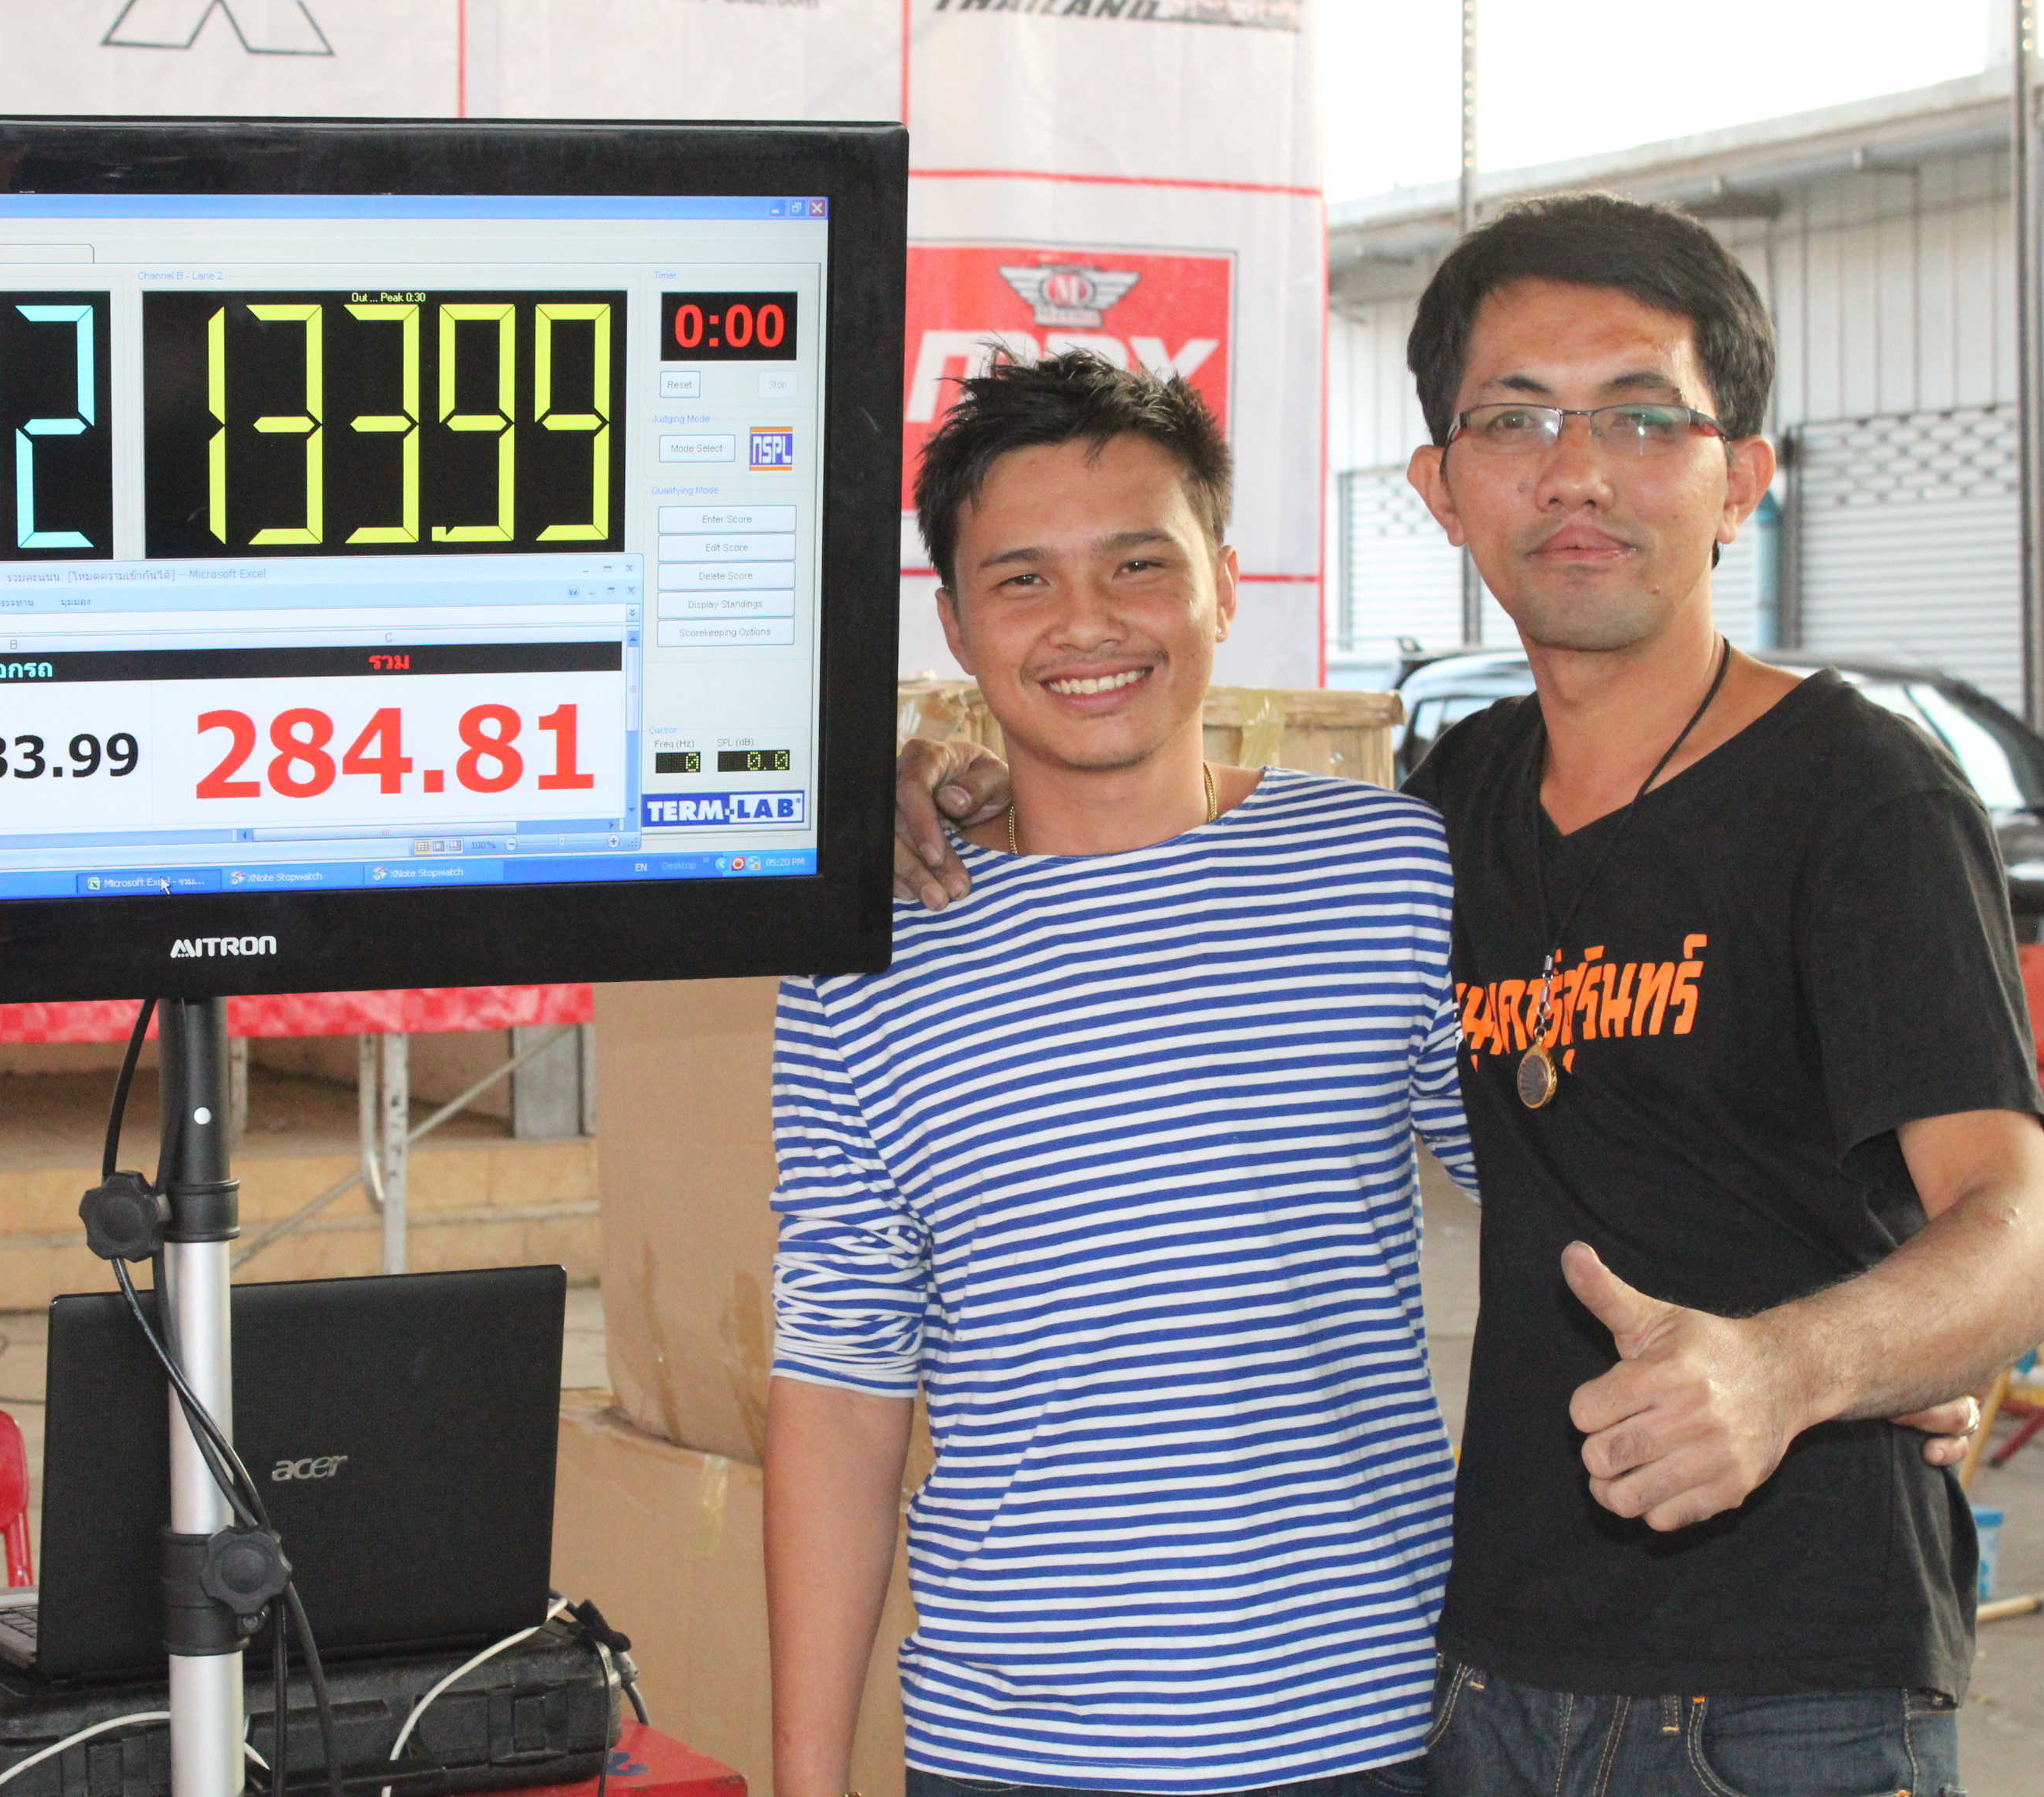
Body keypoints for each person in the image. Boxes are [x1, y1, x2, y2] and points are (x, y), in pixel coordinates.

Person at [892, 193, 2044, 1796]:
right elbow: (1192, 880)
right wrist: (938, 778)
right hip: (1485, 1670)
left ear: (1741, 478)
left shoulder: (1860, 796)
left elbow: (2012, 1218)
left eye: (1641, 415)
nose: (1576, 472)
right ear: (1440, 487)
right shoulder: (1448, 814)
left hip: (1790, 1685)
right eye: (1517, 420)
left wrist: (1812, 1365)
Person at [765, 352, 1472, 1797]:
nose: (1087, 623)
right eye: (1022, 580)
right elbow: (840, 1385)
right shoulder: (862, 956)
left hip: (1368, 1728)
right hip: (1016, 1748)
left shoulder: (1386, 868)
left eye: (1138, 565)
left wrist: (1830, 1332)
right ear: (955, 625)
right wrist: (807, 1780)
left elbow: (1573, 1182)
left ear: (1225, 583)